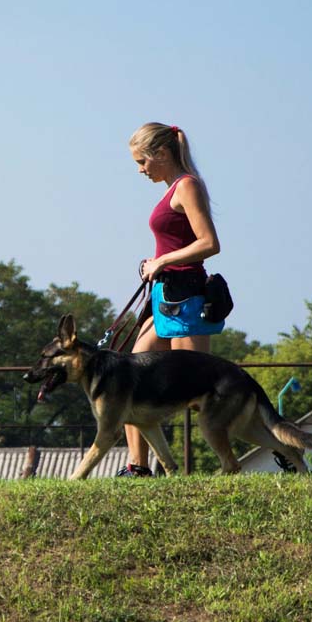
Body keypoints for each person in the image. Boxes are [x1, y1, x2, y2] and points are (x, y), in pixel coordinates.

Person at [118, 122, 224, 477]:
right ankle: (137, 468)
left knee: (200, 394)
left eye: (142, 162)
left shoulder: (187, 186)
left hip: (188, 299)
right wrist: (155, 263)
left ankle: (278, 446)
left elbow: (209, 243)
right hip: (165, 296)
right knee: (130, 380)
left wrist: (162, 261)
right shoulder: (171, 190)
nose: (139, 170)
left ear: (161, 154)